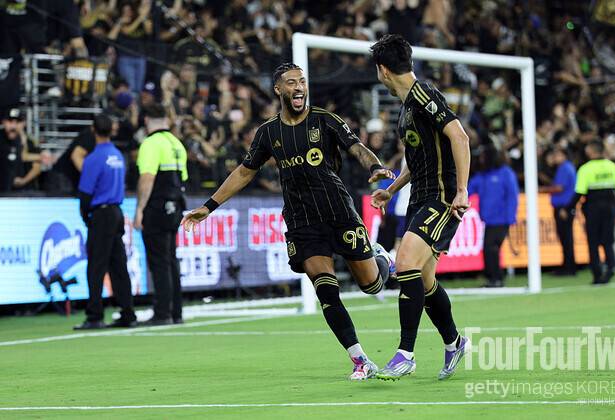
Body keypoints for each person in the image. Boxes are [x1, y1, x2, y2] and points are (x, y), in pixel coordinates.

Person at [181, 63, 396, 381]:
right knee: (326, 290)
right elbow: (244, 171)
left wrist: (375, 166)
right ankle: (360, 360)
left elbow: (357, 147)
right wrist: (208, 207)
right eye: (292, 82)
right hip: (301, 220)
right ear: (278, 89)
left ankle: (381, 259)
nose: (299, 87)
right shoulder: (268, 132)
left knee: (371, 285)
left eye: (302, 82)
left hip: (338, 210)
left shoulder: (325, 120)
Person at [369, 34, 471, 381]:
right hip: (418, 198)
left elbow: (459, 136)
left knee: (405, 263)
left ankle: (405, 354)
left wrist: (461, 190)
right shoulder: (407, 107)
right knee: (424, 280)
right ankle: (455, 342)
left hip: (441, 198)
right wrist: (391, 190)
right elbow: (417, 161)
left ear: (383, 70)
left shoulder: (423, 94)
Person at [74, 114, 136, 330]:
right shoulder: (117, 155)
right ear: (112, 130)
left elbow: (85, 192)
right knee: (118, 265)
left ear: (93, 130)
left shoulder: (94, 158)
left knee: (96, 266)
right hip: (117, 212)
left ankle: (94, 315)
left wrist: (86, 216)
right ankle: (127, 312)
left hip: (101, 214)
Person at [135, 103, 188, 326]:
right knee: (170, 259)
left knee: (158, 261)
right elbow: (183, 179)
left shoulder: (150, 144)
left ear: (146, 120)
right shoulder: (177, 144)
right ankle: (176, 312)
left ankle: (162, 312)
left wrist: (139, 209)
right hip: (175, 205)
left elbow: (147, 178)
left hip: (156, 206)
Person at [571, 141, 615, 284]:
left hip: (593, 207)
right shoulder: (612, 166)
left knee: (593, 241)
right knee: (608, 240)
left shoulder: (585, 168)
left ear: (590, 151)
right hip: (610, 206)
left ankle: (597, 272)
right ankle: (611, 266)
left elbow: (579, 192)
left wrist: (569, 208)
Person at [468, 145, 519, 287]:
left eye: (483, 157)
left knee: (490, 248)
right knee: (490, 249)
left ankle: (495, 278)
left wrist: (510, 217)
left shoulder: (505, 173)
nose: (481, 160)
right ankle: (495, 278)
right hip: (489, 220)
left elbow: (512, 196)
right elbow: (468, 190)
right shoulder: (482, 176)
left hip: (501, 219)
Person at [540, 146, 577, 275]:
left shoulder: (564, 168)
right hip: (565, 206)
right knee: (565, 237)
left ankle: (569, 267)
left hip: (564, 207)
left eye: (557, 155)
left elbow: (560, 188)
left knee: (566, 237)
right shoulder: (566, 168)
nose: (554, 157)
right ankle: (567, 265)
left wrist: (542, 190)